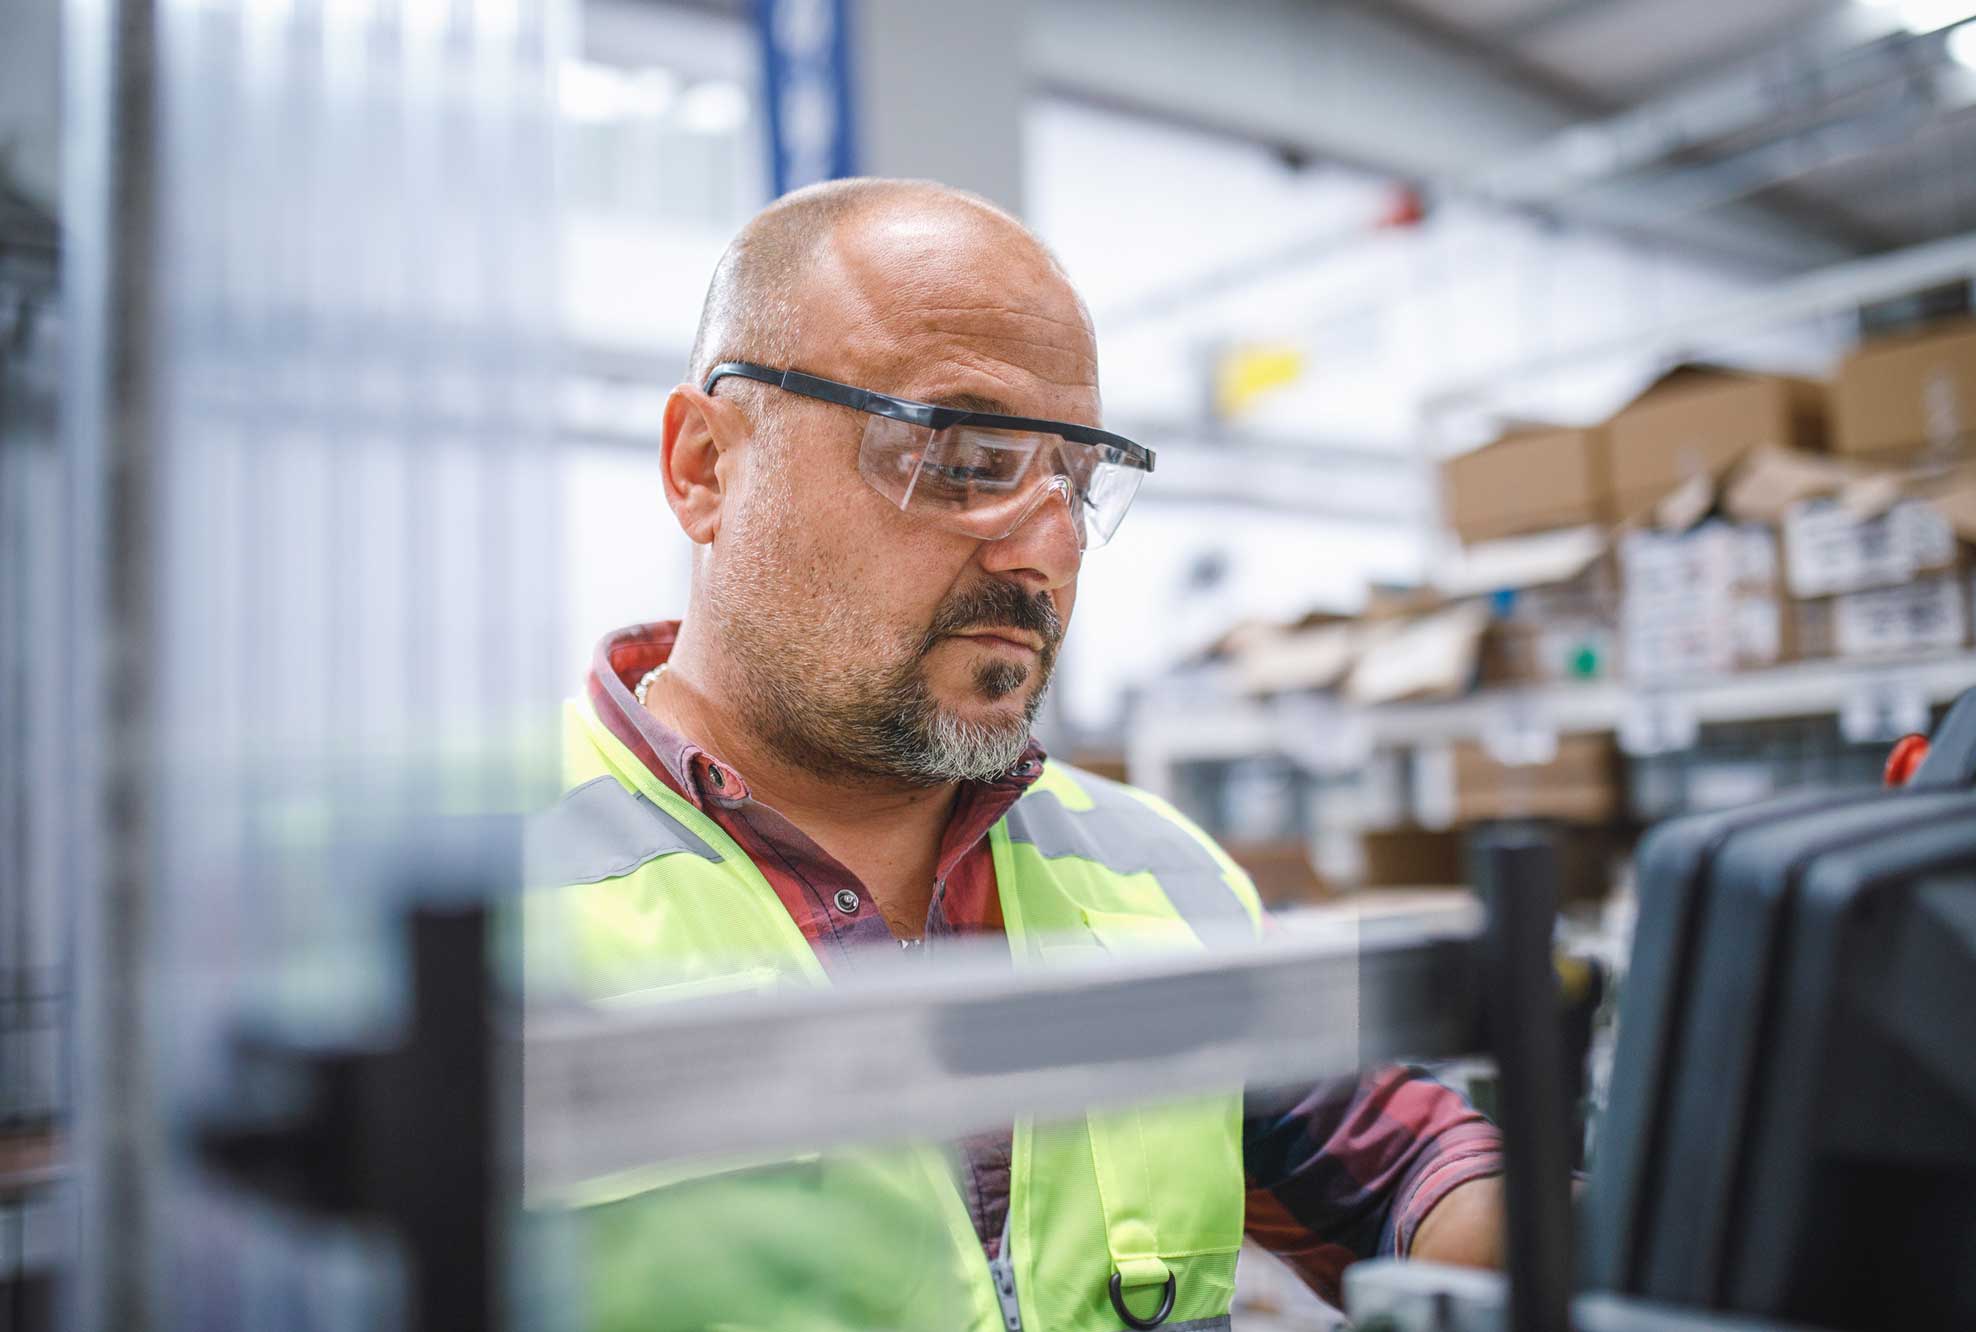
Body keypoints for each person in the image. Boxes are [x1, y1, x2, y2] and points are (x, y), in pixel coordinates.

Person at [528, 177, 1504, 1332]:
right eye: (967, 458)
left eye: (1075, 482)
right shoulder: (463, 897)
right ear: (704, 466)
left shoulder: (1157, 872)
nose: (1046, 548)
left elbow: (1409, 1160)